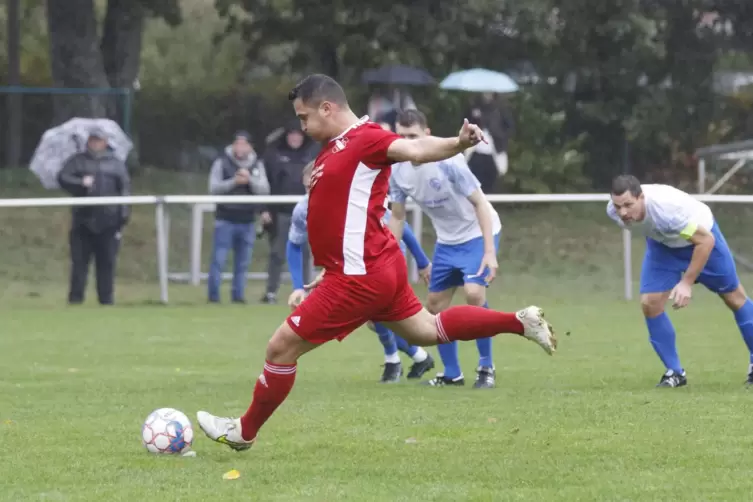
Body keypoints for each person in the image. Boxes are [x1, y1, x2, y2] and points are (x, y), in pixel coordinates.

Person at [196, 74, 556, 451]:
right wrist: (330, 268)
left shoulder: (366, 138)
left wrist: (457, 142)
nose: (301, 126)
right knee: (426, 330)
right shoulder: (335, 147)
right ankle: (519, 322)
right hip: (366, 267)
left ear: (327, 108)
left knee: (280, 348)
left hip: (359, 276)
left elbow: (415, 150)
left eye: (305, 117)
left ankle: (244, 432)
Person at [286, 162, 435, 383]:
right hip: (353, 264)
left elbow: (402, 227)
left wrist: (422, 261)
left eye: (318, 185)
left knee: (377, 314)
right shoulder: (303, 210)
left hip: (386, 257)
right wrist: (298, 286)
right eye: (310, 187)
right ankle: (415, 357)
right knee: (376, 317)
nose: (314, 192)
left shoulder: (356, 201)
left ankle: (398, 360)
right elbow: (294, 245)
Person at [389, 109, 503, 389]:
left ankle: (486, 367)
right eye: (401, 137)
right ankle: (452, 374)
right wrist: (389, 257)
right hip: (447, 242)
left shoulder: (449, 161)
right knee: (435, 306)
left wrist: (489, 252)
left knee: (475, 293)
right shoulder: (396, 169)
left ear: (427, 135)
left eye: (412, 136)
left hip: (477, 233)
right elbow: (398, 216)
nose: (407, 143)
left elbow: (480, 204)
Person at [607, 175, 753, 387]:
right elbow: (651, 229)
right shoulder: (614, 211)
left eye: (628, 205)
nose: (623, 213)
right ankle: (675, 373)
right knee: (650, 303)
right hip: (663, 245)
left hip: (703, 240)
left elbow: (704, 241)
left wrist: (686, 283)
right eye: (618, 206)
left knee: (734, 298)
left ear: (642, 197)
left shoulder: (667, 211)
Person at [57, 127, 130, 305]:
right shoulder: (77, 161)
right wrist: (81, 182)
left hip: (109, 222)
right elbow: (62, 178)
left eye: (98, 140)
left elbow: (125, 189)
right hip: (83, 221)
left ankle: (106, 300)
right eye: (92, 140)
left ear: (105, 142)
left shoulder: (116, 163)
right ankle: (75, 300)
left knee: (107, 264)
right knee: (79, 264)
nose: (95, 143)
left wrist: (123, 215)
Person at [207, 131, 271, 304]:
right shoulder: (221, 162)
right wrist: (233, 182)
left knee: (243, 264)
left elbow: (264, 189)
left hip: (248, 220)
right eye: (238, 143)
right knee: (218, 260)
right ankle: (213, 297)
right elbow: (213, 188)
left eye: (244, 144)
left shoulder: (257, 165)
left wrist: (249, 179)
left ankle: (238, 297)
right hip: (224, 219)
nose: (240, 147)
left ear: (250, 147)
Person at [261, 121, 318, 304]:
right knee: (278, 253)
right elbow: (266, 184)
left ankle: (306, 291)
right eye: (291, 134)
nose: (295, 138)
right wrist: (265, 209)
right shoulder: (275, 154)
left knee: (307, 254)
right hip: (283, 213)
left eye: (298, 134)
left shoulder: (312, 154)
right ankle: (271, 291)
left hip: (309, 213)